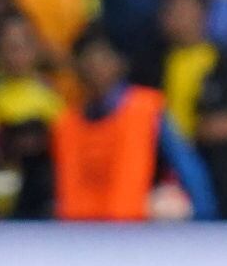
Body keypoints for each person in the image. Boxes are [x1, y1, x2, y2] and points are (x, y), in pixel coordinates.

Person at [51, 28, 217, 221]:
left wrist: (206, 220)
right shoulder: (65, 124)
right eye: (87, 59)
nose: (95, 67)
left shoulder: (147, 109)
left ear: (120, 63)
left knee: (171, 204)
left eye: (103, 58)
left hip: (136, 234)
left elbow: (187, 167)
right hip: (75, 236)